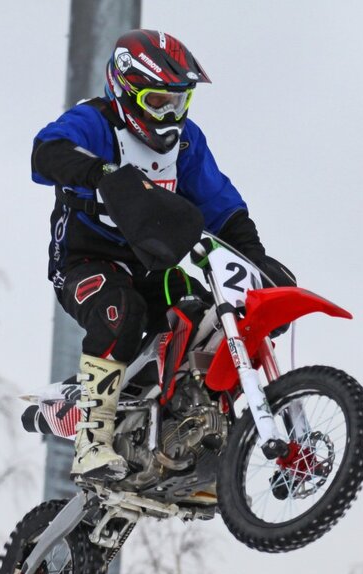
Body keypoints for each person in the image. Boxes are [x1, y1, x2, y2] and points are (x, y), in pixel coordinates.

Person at [31, 29, 295, 481]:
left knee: (211, 314)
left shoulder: (187, 143)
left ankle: (200, 433)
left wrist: (255, 260)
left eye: (179, 102)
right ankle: (91, 440)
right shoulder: (95, 122)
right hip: (85, 263)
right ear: (125, 89)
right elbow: (46, 151)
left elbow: (222, 207)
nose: (170, 115)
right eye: (158, 103)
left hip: (153, 265)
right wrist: (102, 174)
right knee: (121, 310)